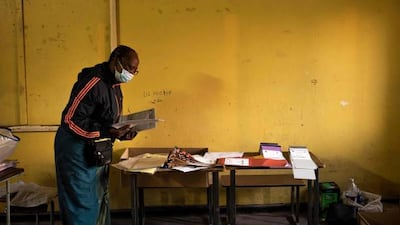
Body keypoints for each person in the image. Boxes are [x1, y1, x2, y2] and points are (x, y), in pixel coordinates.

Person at [54, 45, 139, 225]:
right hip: (75, 150)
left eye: (135, 70)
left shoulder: (114, 85)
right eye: (129, 68)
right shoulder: (92, 81)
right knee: (81, 203)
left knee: (99, 199)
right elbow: (70, 120)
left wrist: (121, 133)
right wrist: (105, 131)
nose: (131, 73)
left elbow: (105, 120)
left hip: (97, 148)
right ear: (115, 61)